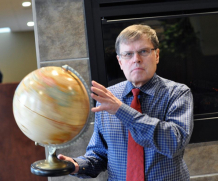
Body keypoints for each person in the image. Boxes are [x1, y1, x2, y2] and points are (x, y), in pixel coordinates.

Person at [58, 24, 194, 180]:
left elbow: (173, 142)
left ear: (156, 55)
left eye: (143, 51)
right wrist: (76, 165)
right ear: (120, 61)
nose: (136, 59)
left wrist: (121, 110)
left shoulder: (178, 93)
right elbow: (99, 154)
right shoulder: (108, 97)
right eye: (128, 54)